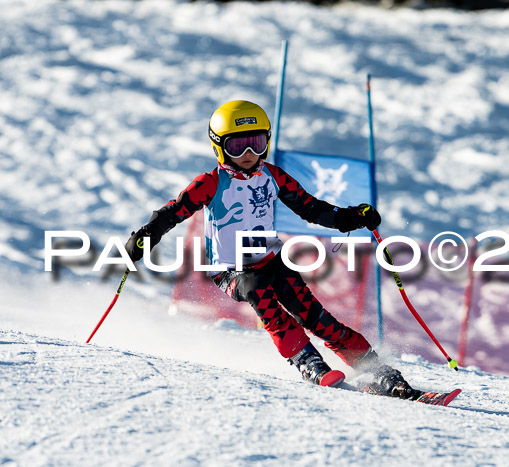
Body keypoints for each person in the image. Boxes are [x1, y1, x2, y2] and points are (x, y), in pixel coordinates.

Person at [125, 100, 417, 399]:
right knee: (257, 291)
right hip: (229, 270)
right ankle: (307, 361)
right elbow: (172, 212)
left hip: (270, 259)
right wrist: (146, 236)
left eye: (256, 143)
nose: (249, 154)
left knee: (314, 315)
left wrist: (350, 217)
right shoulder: (210, 183)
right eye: (237, 146)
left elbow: (312, 209)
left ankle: (379, 372)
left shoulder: (273, 176)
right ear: (219, 146)